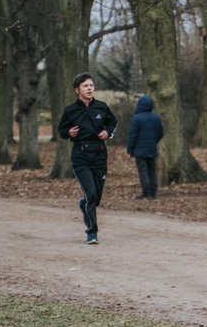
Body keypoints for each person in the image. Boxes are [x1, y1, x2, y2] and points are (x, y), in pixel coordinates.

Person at [58, 72, 118, 245]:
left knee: (95, 198)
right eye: (86, 86)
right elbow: (61, 131)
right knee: (91, 193)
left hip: (99, 155)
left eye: (91, 85)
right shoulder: (70, 110)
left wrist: (108, 132)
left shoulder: (102, 106)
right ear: (78, 90)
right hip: (80, 156)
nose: (89, 88)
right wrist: (69, 132)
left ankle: (83, 202)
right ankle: (92, 232)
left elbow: (113, 122)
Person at [125, 95, 164, 199]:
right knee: (152, 170)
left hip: (139, 151)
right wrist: (154, 141)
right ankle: (153, 192)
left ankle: (146, 193)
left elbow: (132, 136)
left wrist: (129, 150)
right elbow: (160, 133)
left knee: (143, 171)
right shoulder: (156, 118)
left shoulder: (136, 119)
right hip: (152, 149)